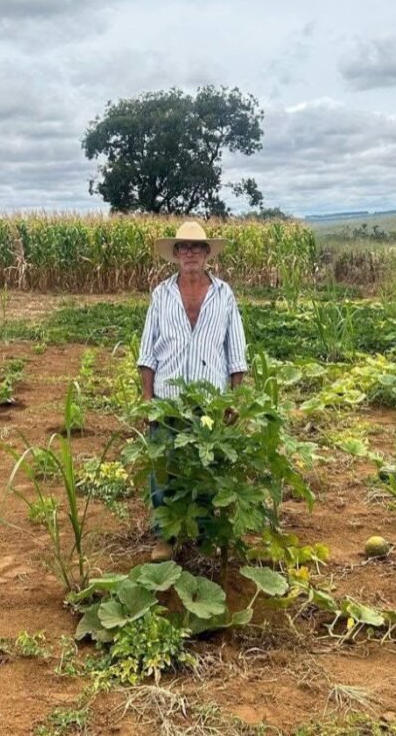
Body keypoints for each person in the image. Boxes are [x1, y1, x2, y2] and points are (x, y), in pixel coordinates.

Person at [137, 220, 248, 561]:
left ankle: (202, 535)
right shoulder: (161, 294)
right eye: (183, 248)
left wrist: (233, 399)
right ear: (175, 254)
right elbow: (147, 352)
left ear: (206, 254)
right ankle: (165, 538)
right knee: (164, 470)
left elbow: (236, 352)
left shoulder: (223, 294)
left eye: (196, 248)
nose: (189, 254)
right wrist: (146, 399)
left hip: (210, 402)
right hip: (167, 401)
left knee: (204, 471)